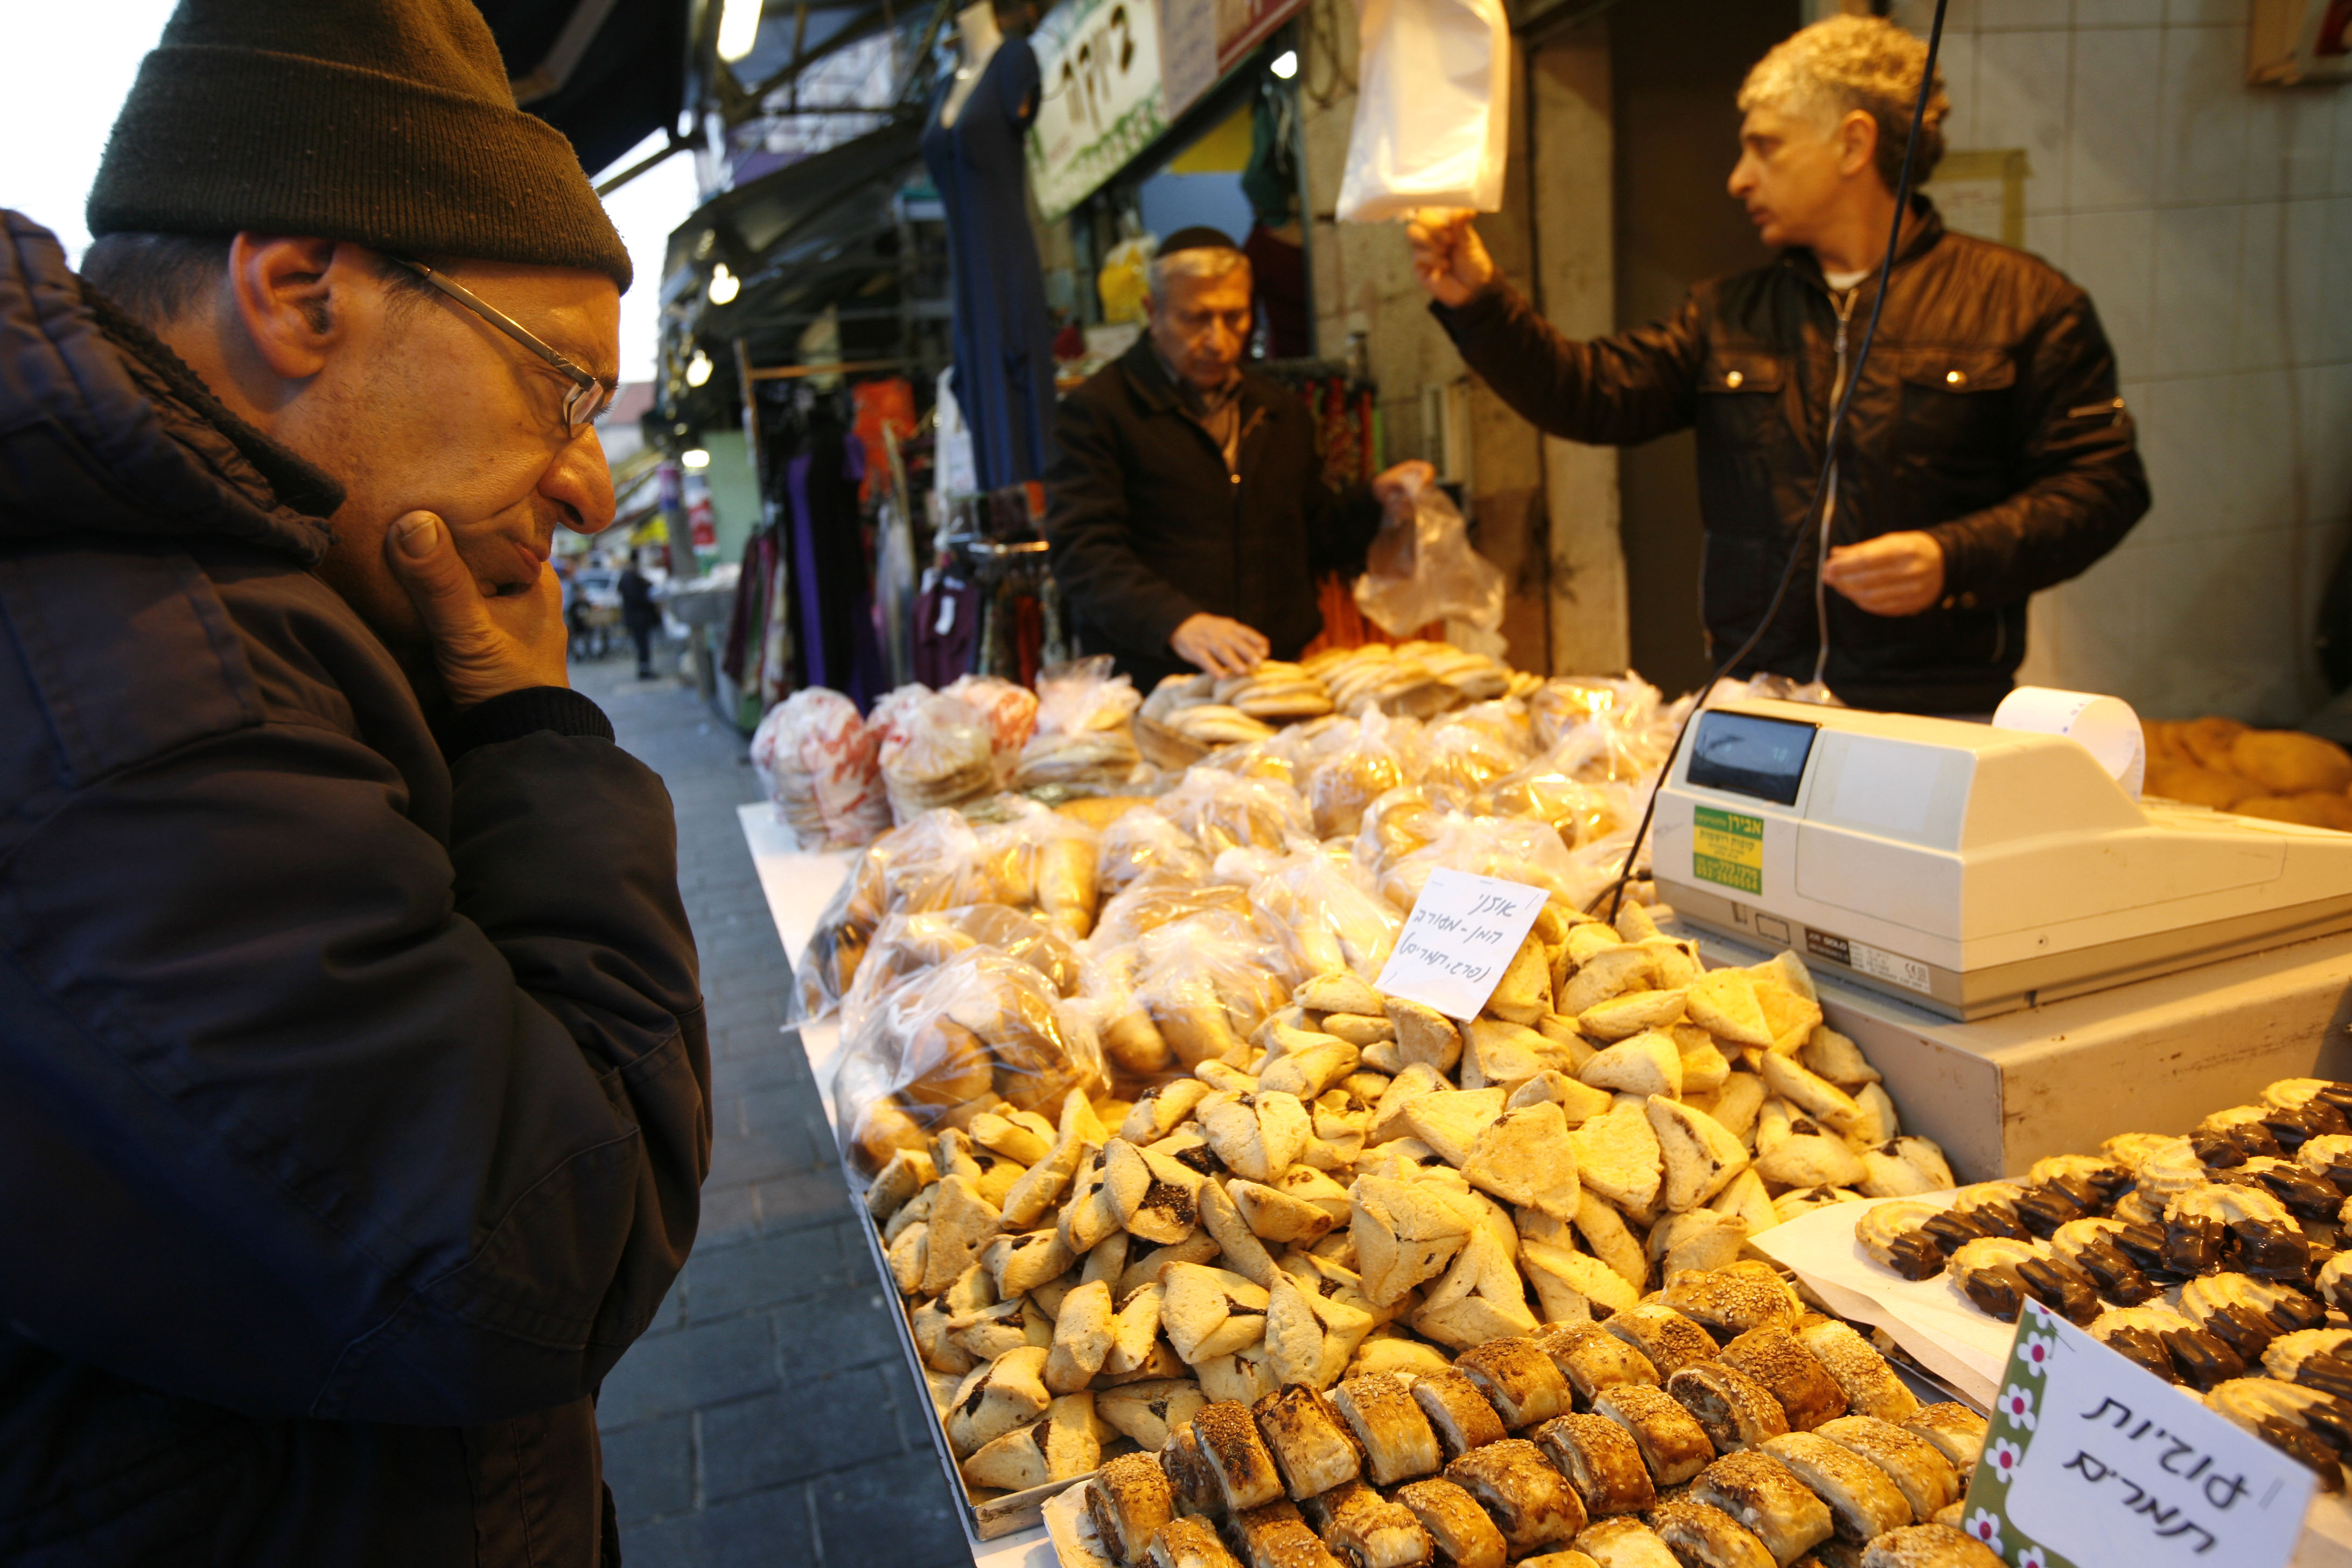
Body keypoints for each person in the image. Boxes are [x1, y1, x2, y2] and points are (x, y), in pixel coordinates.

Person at [0, 3, 706, 1564]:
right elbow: (547, 1249)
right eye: (561, 385)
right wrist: (529, 728)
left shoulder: (213, 607)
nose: (590, 481)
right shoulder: (150, 702)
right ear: (300, 292)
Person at [1408, 16, 2151, 714]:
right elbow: (1592, 396)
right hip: (1759, 709)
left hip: (1938, 713)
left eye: (1766, 147)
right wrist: (1480, 303)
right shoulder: (1727, 312)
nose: (1738, 178)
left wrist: (1954, 558)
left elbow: (2103, 486)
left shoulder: (2025, 303)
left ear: (1854, 146)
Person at [1045, 226, 1428, 691]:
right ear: (1153, 311)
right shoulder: (1102, 411)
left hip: (1273, 680)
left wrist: (1373, 501)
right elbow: (1084, 552)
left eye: (1235, 317)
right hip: (1152, 686)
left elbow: (1315, 536)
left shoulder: (1278, 412)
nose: (1219, 341)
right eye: (1196, 319)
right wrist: (1178, 623)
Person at [620, 551, 661, 678]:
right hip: (639, 618)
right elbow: (637, 597)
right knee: (642, 645)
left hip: (636, 617)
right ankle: (644, 671)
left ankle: (645, 669)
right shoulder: (631, 578)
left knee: (642, 645)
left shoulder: (629, 577)